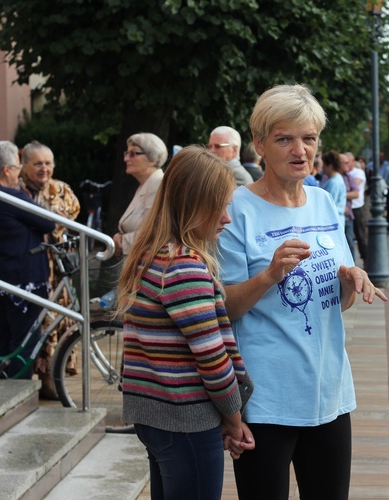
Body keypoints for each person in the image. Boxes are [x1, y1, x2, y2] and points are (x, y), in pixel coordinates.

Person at [217, 84, 387, 500]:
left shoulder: (324, 203)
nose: (300, 150)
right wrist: (270, 274)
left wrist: (350, 282)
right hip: (266, 398)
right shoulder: (235, 209)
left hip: (329, 392)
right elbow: (226, 308)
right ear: (259, 143)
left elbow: (338, 301)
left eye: (309, 138)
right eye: (285, 139)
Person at [118, 145, 255, 500]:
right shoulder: (184, 267)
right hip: (185, 419)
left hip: (156, 416)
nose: (227, 217)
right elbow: (212, 359)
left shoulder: (150, 255)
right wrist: (234, 418)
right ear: (194, 205)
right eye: (220, 206)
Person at [0, 141, 56, 379]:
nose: (19, 173)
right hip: (21, 287)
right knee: (23, 347)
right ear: (7, 169)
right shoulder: (9, 197)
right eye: (18, 167)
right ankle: (19, 395)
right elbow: (48, 222)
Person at [19, 140, 81, 398]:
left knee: (57, 324)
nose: (44, 169)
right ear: (23, 165)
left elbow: (72, 214)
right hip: (28, 266)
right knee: (34, 322)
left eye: (48, 163)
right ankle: (32, 378)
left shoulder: (61, 189)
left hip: (57, 270)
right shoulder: (15, 188)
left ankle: (51, 378)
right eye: (37, 164)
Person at [113, 132, 168, 257]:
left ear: (153, 159)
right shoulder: (146, 184)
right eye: (126, 153)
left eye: (133, 153)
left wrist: (122, 240)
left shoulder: (158, 183)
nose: (126, 159)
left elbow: (156, 232)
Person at [347, 152, 368, 263]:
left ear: (352, 162)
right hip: (347, 208)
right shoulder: (344, 174)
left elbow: (352, 187)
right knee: (348, 237)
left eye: (347, 162)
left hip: (357, 207)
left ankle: (365, 259)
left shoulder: (358, 172)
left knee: (361, 235)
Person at [321, 150, 347, 226]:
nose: (323, 168)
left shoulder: (334, 182)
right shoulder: (337, 179)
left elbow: (329, 204)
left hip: (333, 220)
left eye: (324, 165)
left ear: (330, 166)